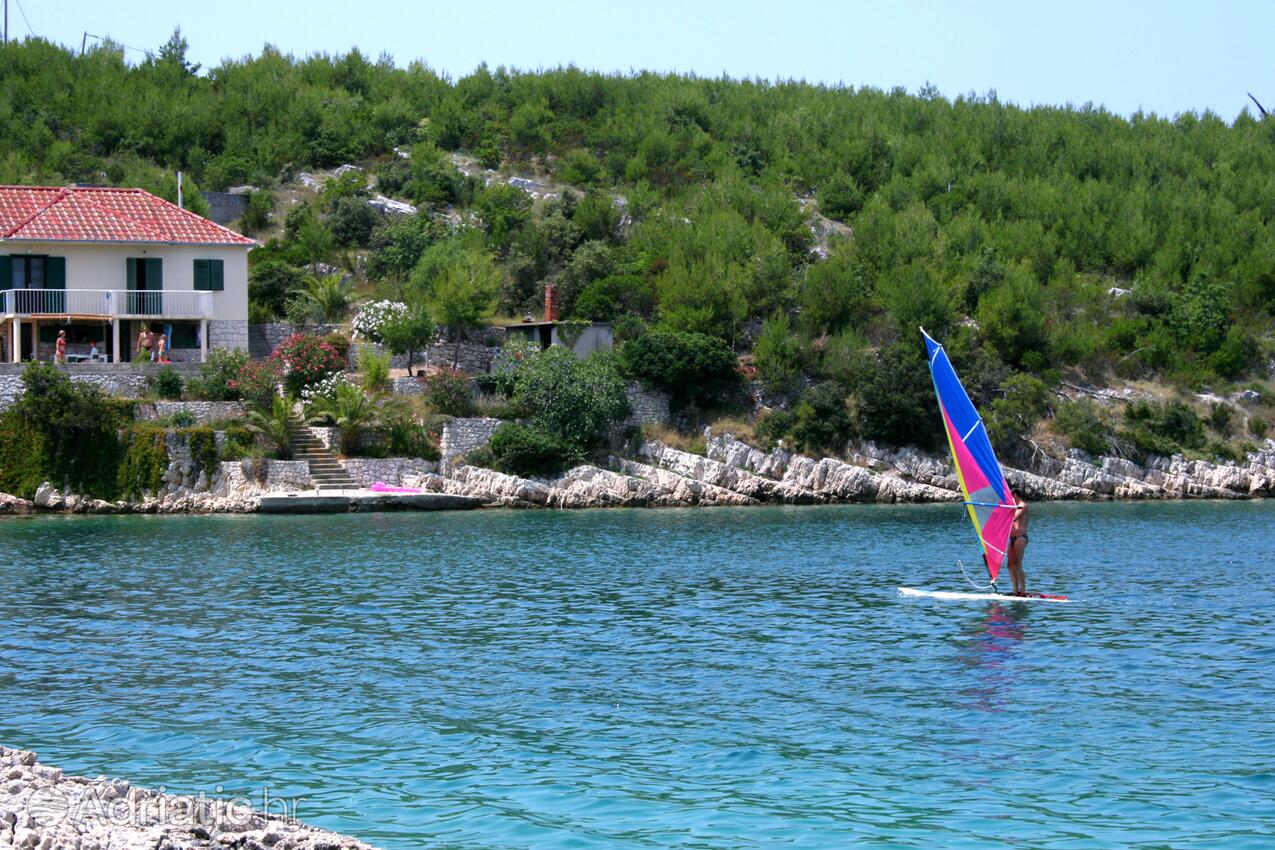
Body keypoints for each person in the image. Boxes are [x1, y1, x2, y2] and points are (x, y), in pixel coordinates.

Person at [1007, 496, 1029, 596]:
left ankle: (1023, 591)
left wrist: (1006, 510)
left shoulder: (1022, 506)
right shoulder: (1012, 506)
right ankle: (1015, 591)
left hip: (1020, 537)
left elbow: (1014, 517)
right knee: (1010, 565)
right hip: (1011, 538)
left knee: (1017, 564)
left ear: (1014, 495)